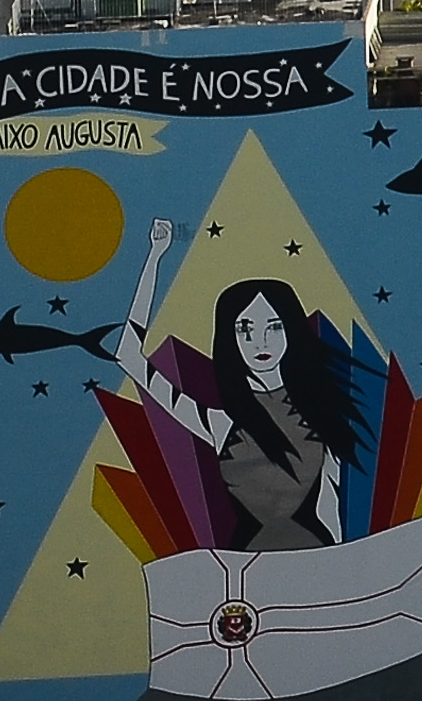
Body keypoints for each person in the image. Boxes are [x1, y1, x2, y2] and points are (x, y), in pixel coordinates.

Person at [127, 214, 365, 550]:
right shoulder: (222, 423)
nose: (261, 343)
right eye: (245, 329)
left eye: (274, 326)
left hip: (317, 564)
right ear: (229, 339)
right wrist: (155, 257)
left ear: (292, 330)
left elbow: (330, 508)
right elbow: (128, 356)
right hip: (246, 574)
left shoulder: (322, 415)